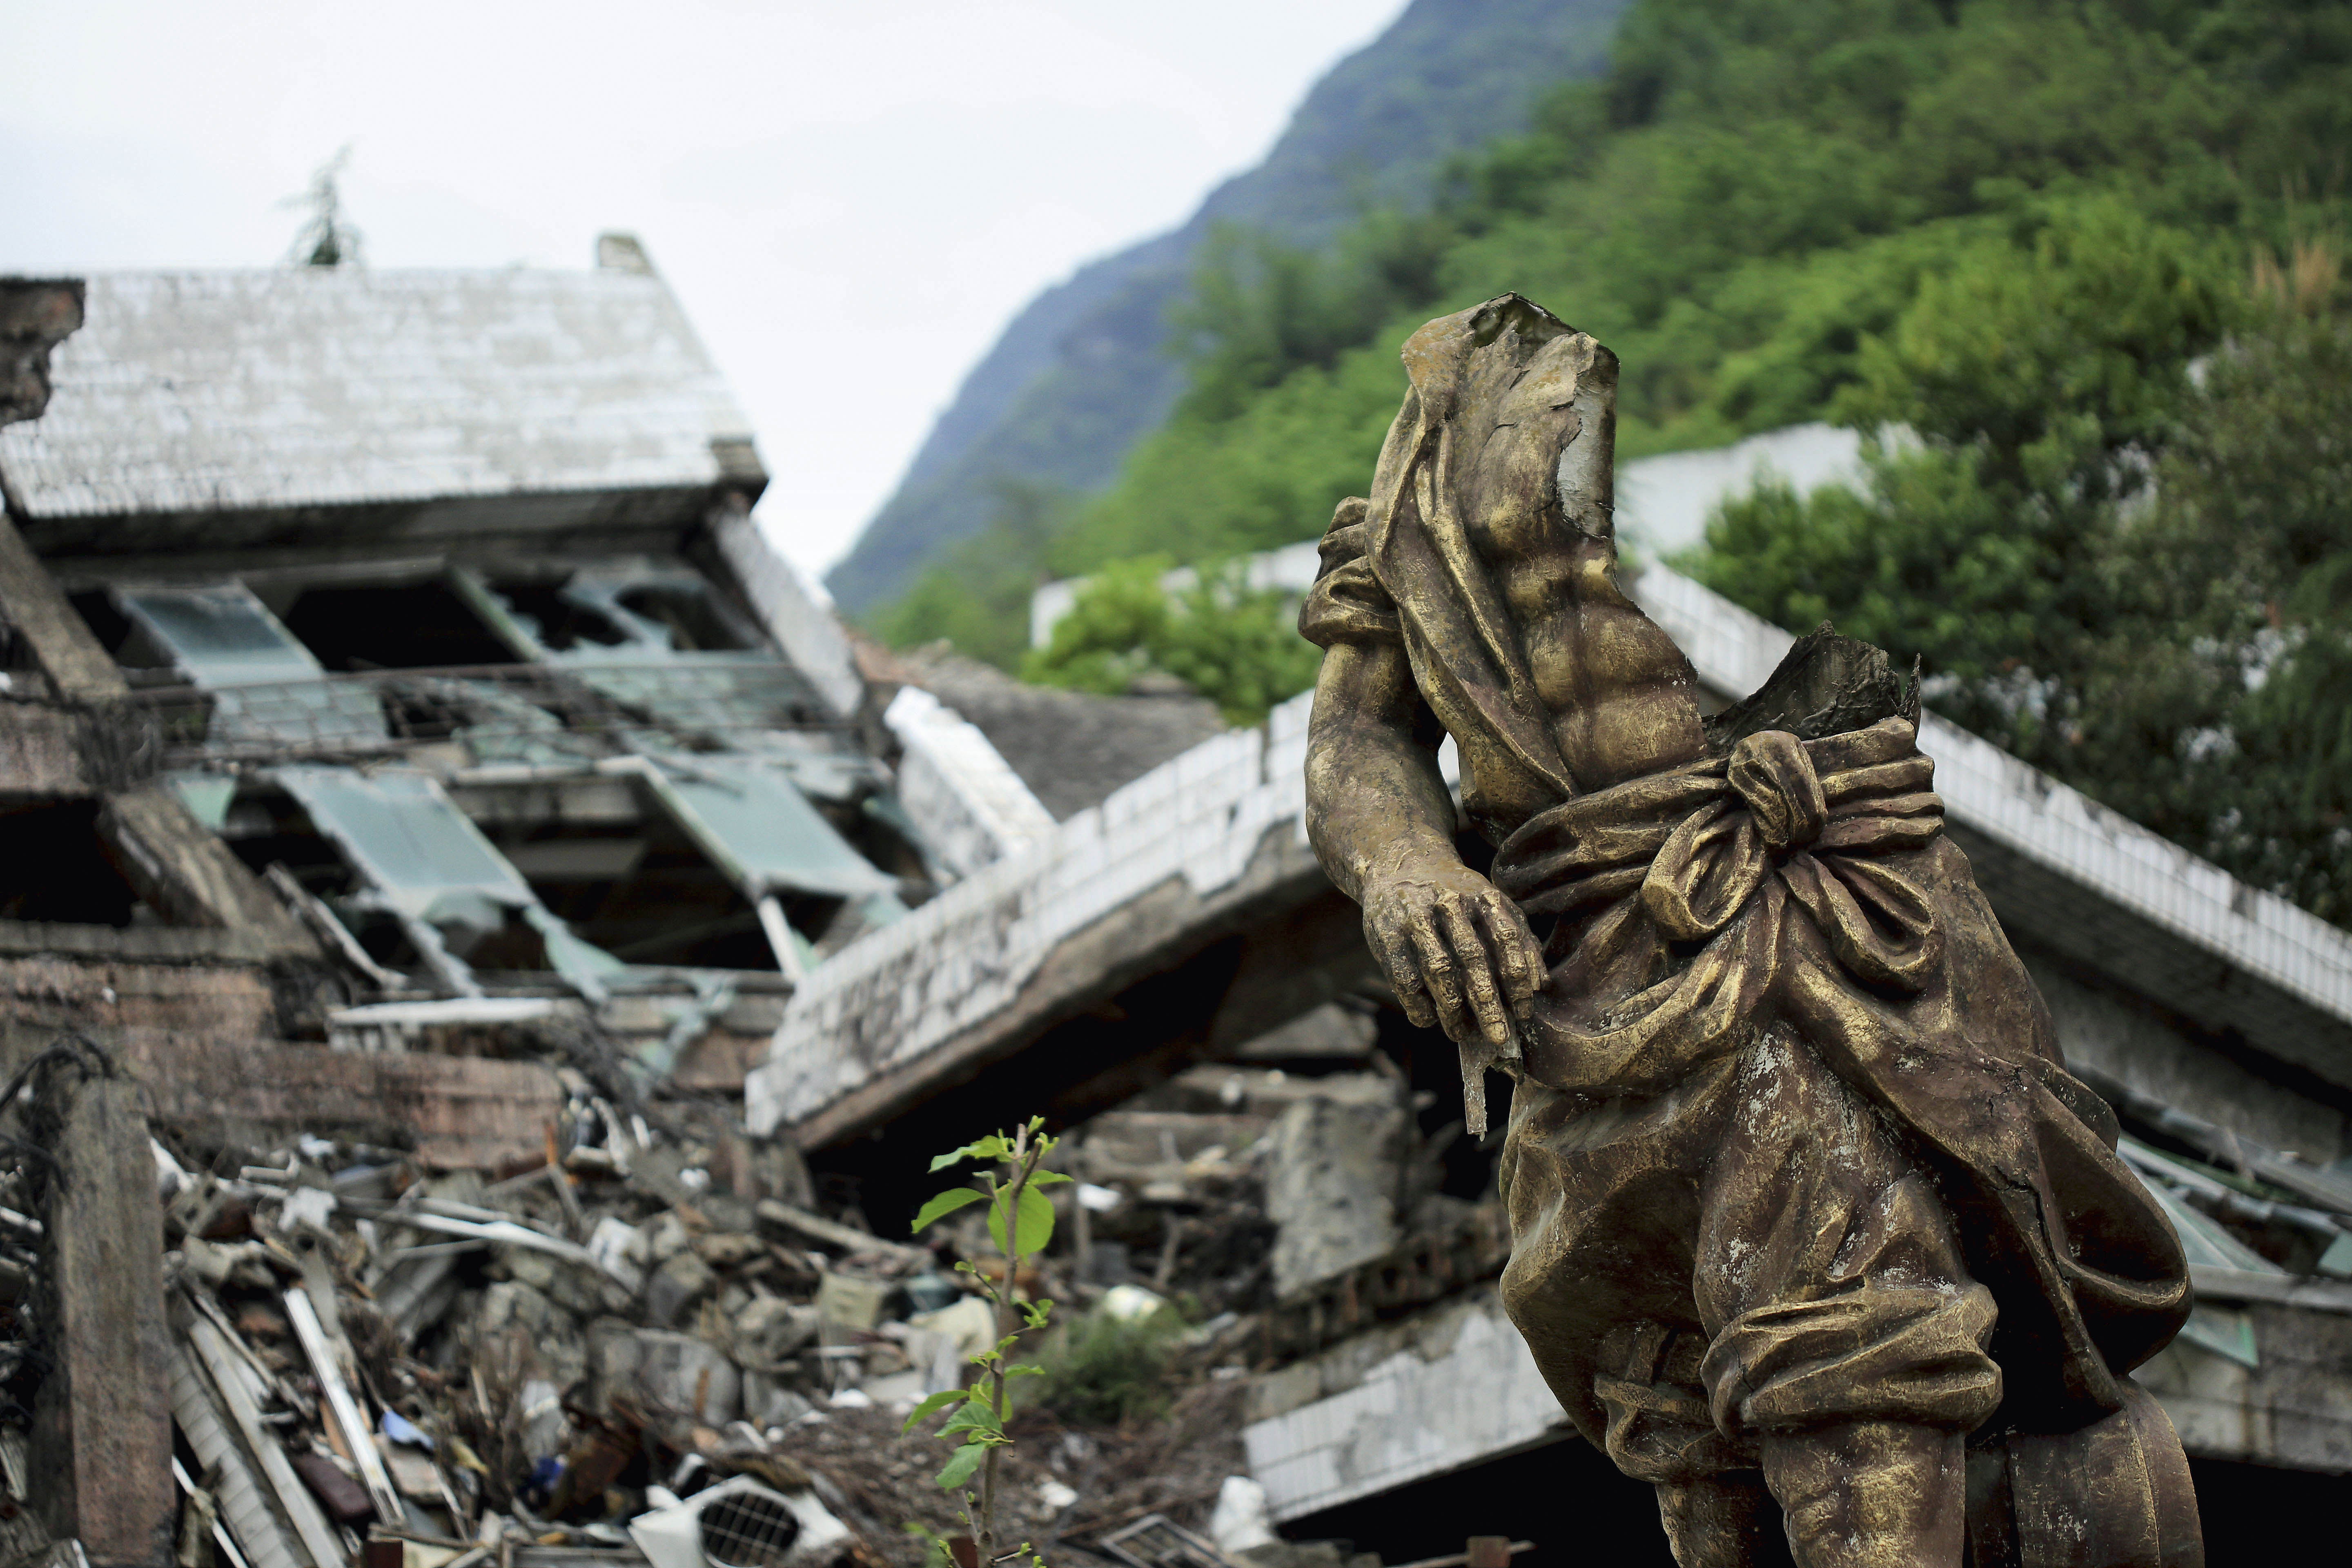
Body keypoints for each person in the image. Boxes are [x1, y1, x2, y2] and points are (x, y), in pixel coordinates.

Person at [1299, 294, 2200, 1568]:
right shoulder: (1405, 522)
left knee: (1856, 1320)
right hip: (1587, 958)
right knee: (1666, 1380)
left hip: (1790, 913)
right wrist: (1404, 872)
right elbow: (1354, 742)